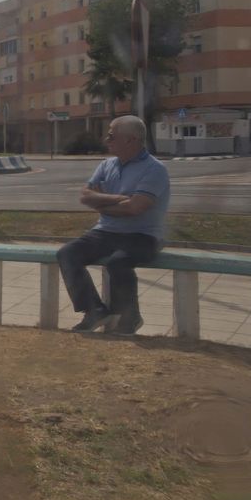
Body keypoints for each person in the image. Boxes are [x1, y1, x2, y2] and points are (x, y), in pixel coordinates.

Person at [57, 115, 170, 336]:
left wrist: (103, 203)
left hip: (143, 235)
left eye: (112, 135)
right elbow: (86, 196)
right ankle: (94, 310)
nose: (106, 139)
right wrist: (120, 199)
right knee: (67, 254)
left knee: (118, 263)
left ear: (131, 140)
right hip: (105, 232)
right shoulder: (106, 164)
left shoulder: (155, 169)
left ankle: (130, 318)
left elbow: (136, 208)